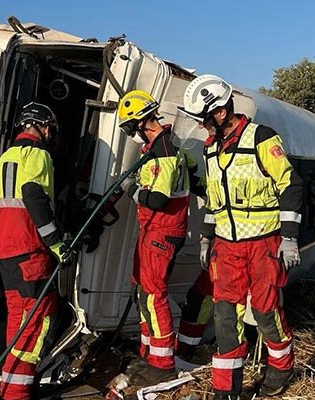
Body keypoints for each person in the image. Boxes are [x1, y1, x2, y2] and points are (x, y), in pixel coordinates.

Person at [179, 75, 304, 399]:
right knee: (224, 317)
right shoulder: (211, 150)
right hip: (227, 248)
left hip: (264, 244)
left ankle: (281, 366)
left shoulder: (261, 138)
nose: (203, 128)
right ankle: (226, 391)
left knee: (264, 311)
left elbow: (290, 185)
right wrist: (207, 238)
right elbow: (214, 200)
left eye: (205, 120)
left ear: (220, 112)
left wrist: (289, 237)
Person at [116, 90, 200, 384]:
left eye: (130, 129)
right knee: (141, 291)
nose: (131, 135)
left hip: (162, 230)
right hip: (152, 229)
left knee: (153, 295)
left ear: (141, 122)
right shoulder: (158, 148)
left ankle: (163, 362)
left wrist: (129, 188)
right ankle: (149, 354)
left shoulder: (163, 150)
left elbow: (158, 199)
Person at [0, 102, 74, 400]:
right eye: (50, 127)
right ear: (41, 126)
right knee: (38, 321)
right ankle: (17, 395)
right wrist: (56, 244)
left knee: (19, 320)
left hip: (5, 251)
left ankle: (10, 388)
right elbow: (34, 196)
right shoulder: (37, 155)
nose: (51, 133)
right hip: (30, 250)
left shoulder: (7, 157)